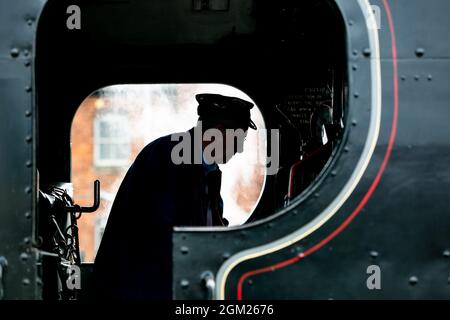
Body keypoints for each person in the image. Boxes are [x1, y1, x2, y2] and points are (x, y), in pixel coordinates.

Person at [93, 93, 257, 299]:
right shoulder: (171, 156)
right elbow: (169, 232)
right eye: (239, 139)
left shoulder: (204, 167)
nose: (240, 149)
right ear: (219, 133)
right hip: (141, 289)